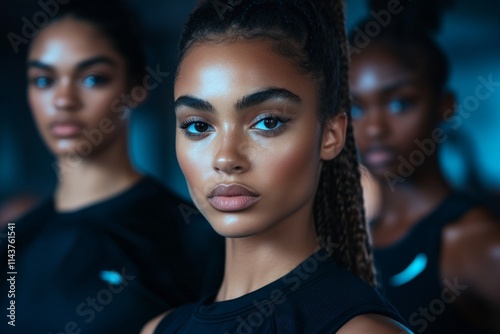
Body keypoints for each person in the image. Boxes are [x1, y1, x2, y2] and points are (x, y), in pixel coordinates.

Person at [142, 0, 411, 333]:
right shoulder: (159, 330)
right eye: (198, 126)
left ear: (331, 135)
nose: (225, 158)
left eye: (267, 122)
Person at [0, 1, 224, 333]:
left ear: (137, 88)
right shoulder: (15, 239)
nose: (63, 100)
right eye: (44, 80)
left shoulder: (193, 237)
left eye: (92, 78)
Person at [348, 4, 500, 333]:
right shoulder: (345, 241)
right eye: (356, 108)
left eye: (399, 103)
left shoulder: (478, 243)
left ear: (445, 106)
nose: (375, 129)